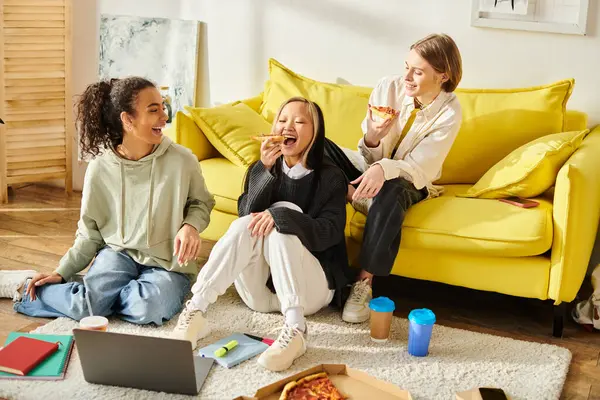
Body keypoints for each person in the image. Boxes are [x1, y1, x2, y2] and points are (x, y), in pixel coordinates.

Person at [0, 77, 215, 326]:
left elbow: (202, 203)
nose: (164, 117)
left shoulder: (182, 160)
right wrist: (62, 272)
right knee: (85, 307)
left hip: (167, 264)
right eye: (153, 110)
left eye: (163, 107)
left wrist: (191, 226)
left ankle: (96, 296)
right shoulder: (100, 168)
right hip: (118, 254)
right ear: (127, 119)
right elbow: (89, 234)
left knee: (147, 308)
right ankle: (26, 287)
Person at [171, 97, 352, 372]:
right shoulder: (263, 168)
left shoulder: (332, 177)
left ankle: (296, 329)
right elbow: (246, 215)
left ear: (316, 133)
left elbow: (328, 233)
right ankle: (196, 309)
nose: (288, 125)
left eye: (300, 121)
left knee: (282, 221)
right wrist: (264, 171)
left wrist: (280, 216)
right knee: (246, 223)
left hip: (308, 293)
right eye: (282, 120)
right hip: (260, 295)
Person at [324, 33, 464, 324]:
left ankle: (364, 282)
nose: (407, 77)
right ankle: (354, 202)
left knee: (391, 190)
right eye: (406, 66)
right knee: (317, 146)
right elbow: (368, 153)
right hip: (368, 168)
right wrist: (373, 137)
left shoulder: (450, 112)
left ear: (443, 75)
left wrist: (383, 169)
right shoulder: (387, 88)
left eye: (418, 71)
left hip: (409, 181)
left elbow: (419, 169)